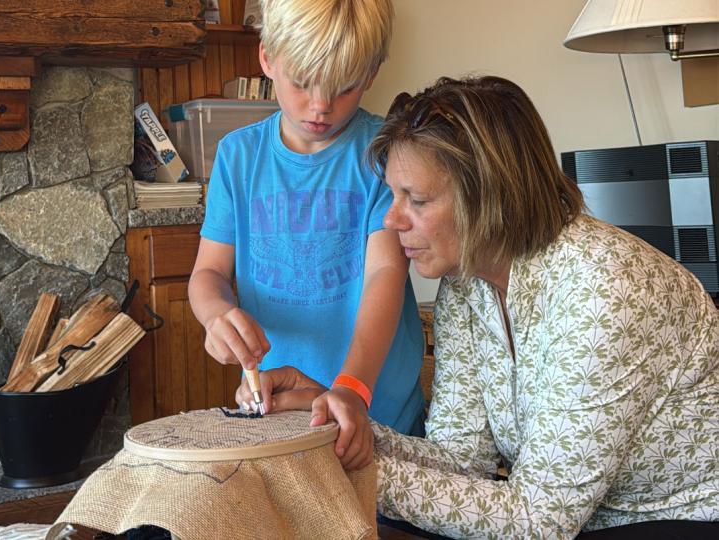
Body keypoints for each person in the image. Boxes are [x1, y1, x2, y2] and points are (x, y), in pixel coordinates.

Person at [248, 76, 719, 538]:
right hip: (582, 519)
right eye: (393, 195)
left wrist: (340, 466)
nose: (392, 219)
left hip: (683, 515)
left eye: (417, 199)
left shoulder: (604, 289)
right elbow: (462, 460)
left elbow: (539, 520)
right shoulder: (466, 284)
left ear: (492, 196)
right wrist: (338, 428)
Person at [188, 0, 425, 472]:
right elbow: (208, 273)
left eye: (344, 87)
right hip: (283, 412)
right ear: (267, 59)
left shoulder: (385, 151)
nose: (320, 106)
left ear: (371, 74)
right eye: (302, 82)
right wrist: (215, 315)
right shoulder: (237, 156)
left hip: (381, 412)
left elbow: (385, 273)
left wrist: (352, 387)